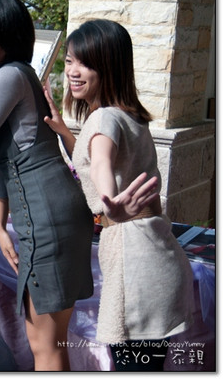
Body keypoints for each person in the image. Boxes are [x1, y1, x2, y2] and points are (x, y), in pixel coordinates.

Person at [0, 0, 94, 371]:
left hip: (47, 215)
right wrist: (0, 223)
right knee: (52, 342)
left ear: (4, 40)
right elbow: (6, 158)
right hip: (55, 210)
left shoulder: (8, 76)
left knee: (44, 345)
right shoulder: (20, 73)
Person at [43, 19, 194, 371]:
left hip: (136, 265)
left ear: (109, 67)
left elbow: (101, 164)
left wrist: (110, 200)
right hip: (156, 258)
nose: (73, 71)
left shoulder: (103, 119)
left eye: (85, 63)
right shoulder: (130, 117)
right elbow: (95, 159)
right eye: (69, 61)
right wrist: (64, 131)